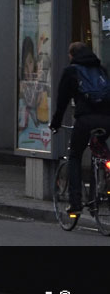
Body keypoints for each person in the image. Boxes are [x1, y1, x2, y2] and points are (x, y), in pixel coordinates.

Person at [50, 40, 110, 216]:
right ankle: (96, 195)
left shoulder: (71, 71)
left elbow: (62, 102)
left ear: (72, 55)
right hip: (107, 121)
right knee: (99, 150)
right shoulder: (101, 70)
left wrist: (55, 123)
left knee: (75, 156)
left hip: (85, 121)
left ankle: (75, 203)